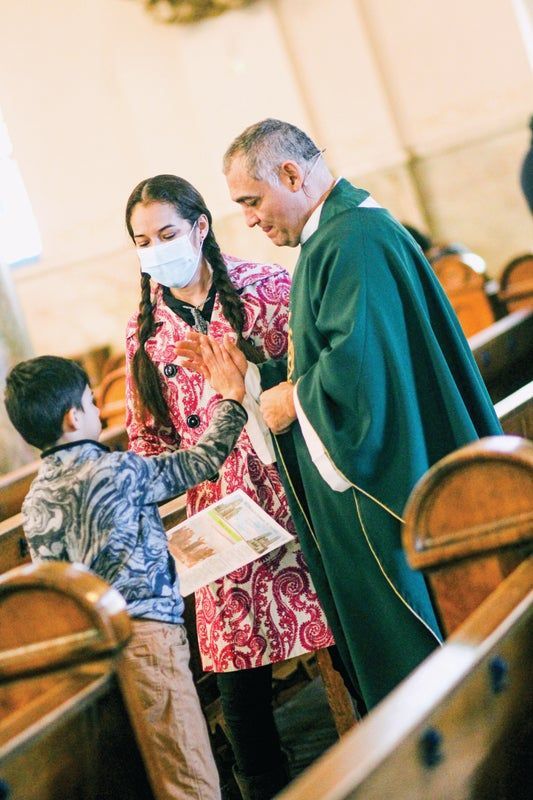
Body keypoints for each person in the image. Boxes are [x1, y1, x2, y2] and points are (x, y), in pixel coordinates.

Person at [215, 118, 503, 711]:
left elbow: (360, 377)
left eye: (252, 200)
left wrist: (290, 399)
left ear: (292, 174)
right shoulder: (335, 237)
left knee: (421, 686)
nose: (248, 219)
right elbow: (330, 360)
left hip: (384, 492)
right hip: (377, 480)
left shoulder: (351, 242)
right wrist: (251, 381)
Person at [124, 174, 335, 800]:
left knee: (345, 649)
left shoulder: (271, 290)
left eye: (167, 233)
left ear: (200, 227)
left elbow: (316, 382)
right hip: (220, 522)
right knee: (241, 699)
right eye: (142, 240)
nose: (156, 248)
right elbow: (147, 444)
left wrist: (252, 384)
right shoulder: (146, 335)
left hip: (295, 502)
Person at [4, 351, 248, 800]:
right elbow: (198, 463)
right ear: (73, 417)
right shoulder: (118, 470)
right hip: (146, 641)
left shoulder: (35, 503)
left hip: (93, 654)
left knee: (147, 776)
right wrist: (232, 402)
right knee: (189, 773)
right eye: (93, 403)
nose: (99, 410)